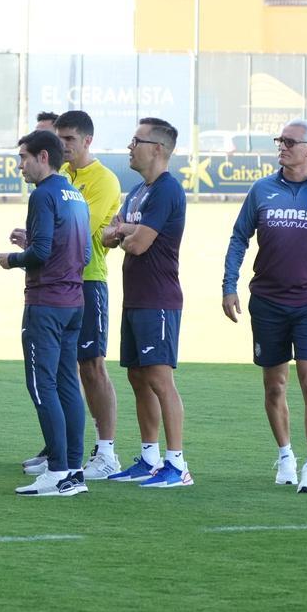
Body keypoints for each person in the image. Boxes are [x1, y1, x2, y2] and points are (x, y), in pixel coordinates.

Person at [222, 119, 307, 494]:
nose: (281, 147)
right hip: (267, 302)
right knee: (274, 385)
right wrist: (228, 286)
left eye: (289, 142)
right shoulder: (262, 189)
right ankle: (286, 455)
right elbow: (239, 237)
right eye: (279, 141)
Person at [23, 111, 123, 479]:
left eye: (69, 139)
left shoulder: (103, 180)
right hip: (63, 281)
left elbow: (81, 230)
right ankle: (60, 451)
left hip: (88, 280)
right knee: (66, 372)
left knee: (91, 367)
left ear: (87, 142)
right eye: (58, 138)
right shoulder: (64, 179)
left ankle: (106, 451)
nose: (62, 144)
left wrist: (30, 249)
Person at [0, 130, 91, 496]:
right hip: (73, 303)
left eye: (23, 157)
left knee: (42, 385)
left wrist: (11, 259)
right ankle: (73, 470)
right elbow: (80, 253)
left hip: (46, 304)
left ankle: (56, 472)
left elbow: (41, 254)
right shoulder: (74, 194)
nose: (20, 165)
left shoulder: (43, 195)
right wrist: (34, 245)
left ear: (43, 158)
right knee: (68, 384)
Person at [103, 117, 192, 488]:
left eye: (135, 141)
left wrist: (125, 231)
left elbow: (136, 243)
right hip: (136, 298)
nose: (129, 147)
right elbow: (110, 236)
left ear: (157, 148)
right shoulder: (138, 190)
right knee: (138, 377)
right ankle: (150, 457)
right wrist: (125, 231)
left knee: (159, 378)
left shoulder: (167, 190)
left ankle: (177, 464)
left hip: (158, 299)